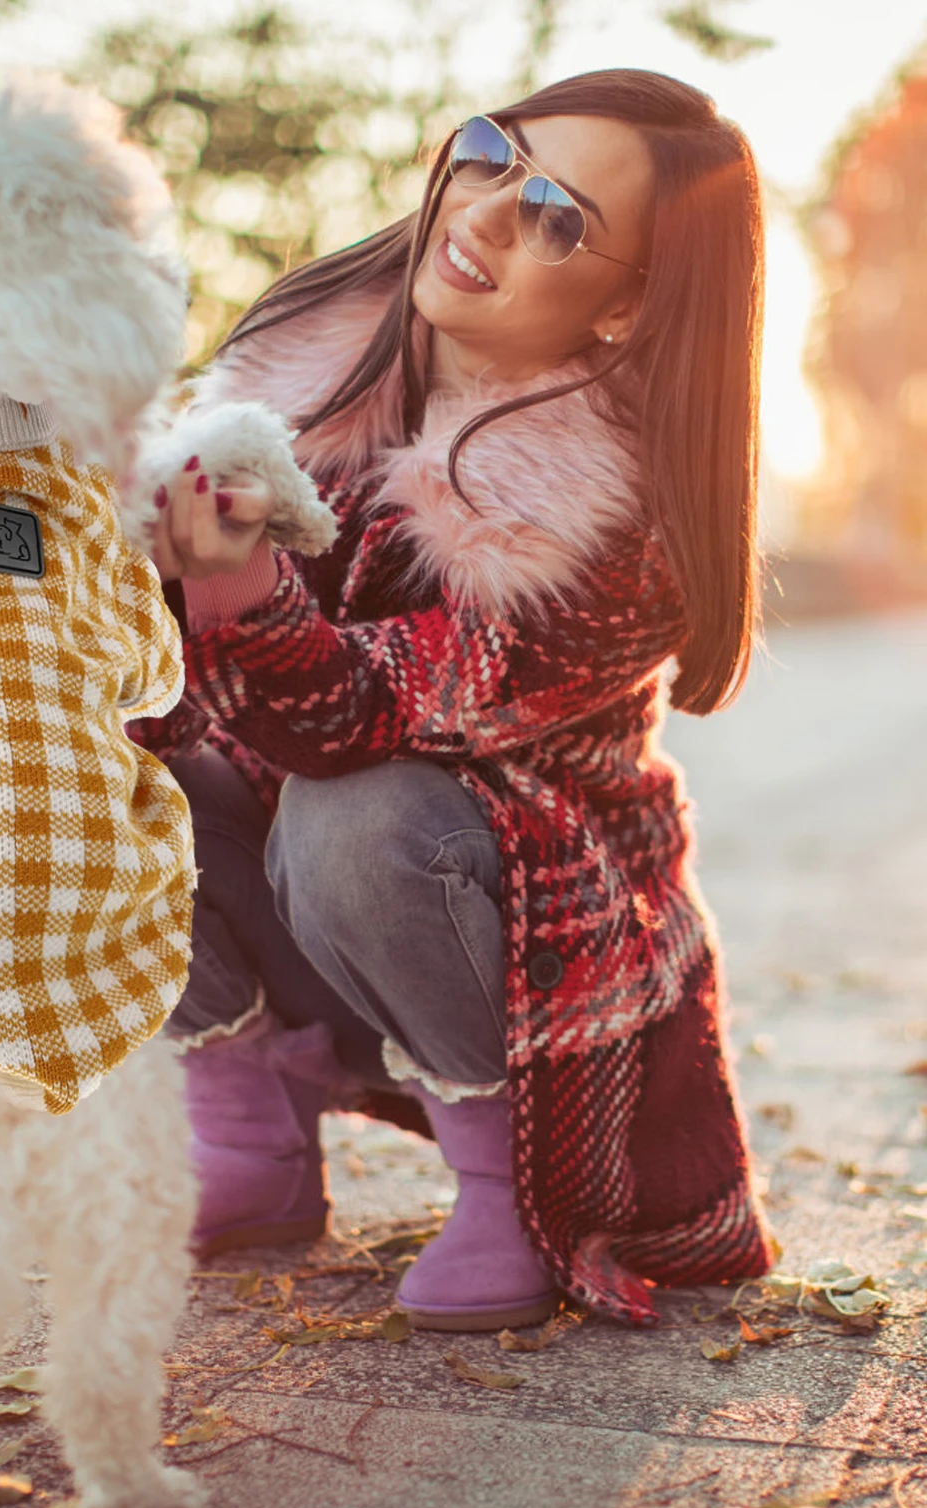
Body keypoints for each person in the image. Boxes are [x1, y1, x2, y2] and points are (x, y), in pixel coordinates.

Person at [134, 68, 777, 1332]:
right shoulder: (293, 371)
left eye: (555, 217)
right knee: (90, 777)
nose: (481, 213)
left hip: (525, 961)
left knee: (354, 811)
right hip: (300, 921)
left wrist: (234, 585)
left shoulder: (607, 517)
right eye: (489, 153)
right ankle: (247, 1120)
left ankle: (508, 1188)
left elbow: (354, 723)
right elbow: (157, 689)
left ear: (629, 302)